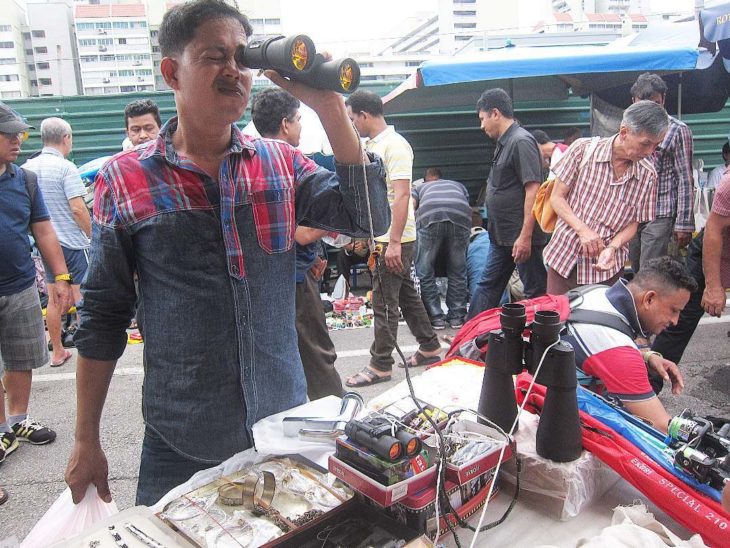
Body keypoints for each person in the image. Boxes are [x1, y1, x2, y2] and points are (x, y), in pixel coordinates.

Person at [65, 0, 388, 507]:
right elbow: (103, 314)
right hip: (181, 440)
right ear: (173, 71)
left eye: (242, 57)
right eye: (216, 56)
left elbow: (369, 218)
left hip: (283, 429)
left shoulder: (280, 163)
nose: (235, 71)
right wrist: (87, 438)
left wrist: (328, 105)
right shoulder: (125, 180)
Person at [344, 90, 441, 387]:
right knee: (406, 295)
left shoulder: (395, 146)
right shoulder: (374, 144)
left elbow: (401, 195)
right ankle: (430, 347)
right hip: (385, 236)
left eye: (352, 119)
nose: (351, 125)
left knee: (384, 300)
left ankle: (380, 364)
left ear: (363, 114)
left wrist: (394, 242)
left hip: (394, 237)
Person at [251, 87, 343, 400]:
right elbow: (300, 233)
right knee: (317, 355)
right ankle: (334, 423)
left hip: (269, 277)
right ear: (286, 124)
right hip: (293, 280)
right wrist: (328, 228)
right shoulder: (288, 163)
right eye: (299, 120)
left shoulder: (248, 160)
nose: (301, 127)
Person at [0, 103, 74, 464]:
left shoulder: (24, 180)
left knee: (20, 357)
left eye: (20, 134)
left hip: (19, 285)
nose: (18, 140)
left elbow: (43, 230)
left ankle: (18, 420)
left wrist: (60, 277)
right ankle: (1, 431)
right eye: (10, 134)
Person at [545, 100, 668, 295]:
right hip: (565, 260)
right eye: (645, 143)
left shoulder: (648, 175)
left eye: (656, 145)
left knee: (600, 324)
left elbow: (633, 223)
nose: (650, 152)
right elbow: (557, 198)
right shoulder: (582, 150)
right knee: (558, 321)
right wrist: (583, 230)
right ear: (624, 132)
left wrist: (612, 247)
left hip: (607, 270)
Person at [564, 257, 695, 432]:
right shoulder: (617, 348)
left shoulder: (597, 293)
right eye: (674, 310)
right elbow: (662, 426)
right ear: (649, 299)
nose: (675, 321)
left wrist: (647, 357)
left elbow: (595, 352)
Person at [467, 88, 547, 320]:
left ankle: (540, 344)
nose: (482, 126)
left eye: (482, 119)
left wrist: (525, 236)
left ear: (495, 113)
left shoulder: (521, 141)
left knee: (535, 292)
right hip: (501, 237)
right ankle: (468, 337)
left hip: (521, 237)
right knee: (487, 286)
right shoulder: (505, 142)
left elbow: (533, 189)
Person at [23, 117, 91, 368]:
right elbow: (78, 209)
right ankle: (88, 351)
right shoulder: (66, 168)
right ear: (66, 138)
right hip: (73, 243)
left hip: (46, 245)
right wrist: (92, 236)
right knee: (82, 296)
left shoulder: (27, 168)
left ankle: (58, 351)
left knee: (53, 299)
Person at [628, 73, 695, 272]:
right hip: (632, 213)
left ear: (663, 100)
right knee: (636, 268)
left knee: (650, 272)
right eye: (644, 103)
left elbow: (685, 179)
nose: (650, 109)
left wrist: (684, 223)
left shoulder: (677, 130)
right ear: (634, 101)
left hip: (661, 213)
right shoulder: (628, 130)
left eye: (656, 103)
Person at [412, 167, 472, 329]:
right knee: (458, 270)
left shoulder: (419, 187)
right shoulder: (457, 185)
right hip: (460, 217)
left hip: (430, 217)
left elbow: (411, 207)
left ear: (426, 180)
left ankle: (436, 317)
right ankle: (457, 317)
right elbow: (465, 204)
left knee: (425, 270)